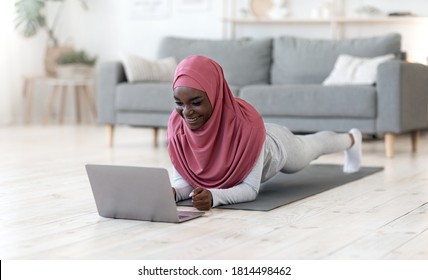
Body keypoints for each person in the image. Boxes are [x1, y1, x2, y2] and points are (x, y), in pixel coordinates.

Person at [167, 55, 362, 211]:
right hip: (250, 130)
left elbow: (250, 189)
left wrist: (214, 197)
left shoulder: (247, 133)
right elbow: (184, 185)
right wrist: (173, 194)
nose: (187, 112)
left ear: (216, 96)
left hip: (275, 146)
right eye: (179, 103)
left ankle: (352, 139)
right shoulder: (178, 130)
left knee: (313, 146)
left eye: (196, 102)